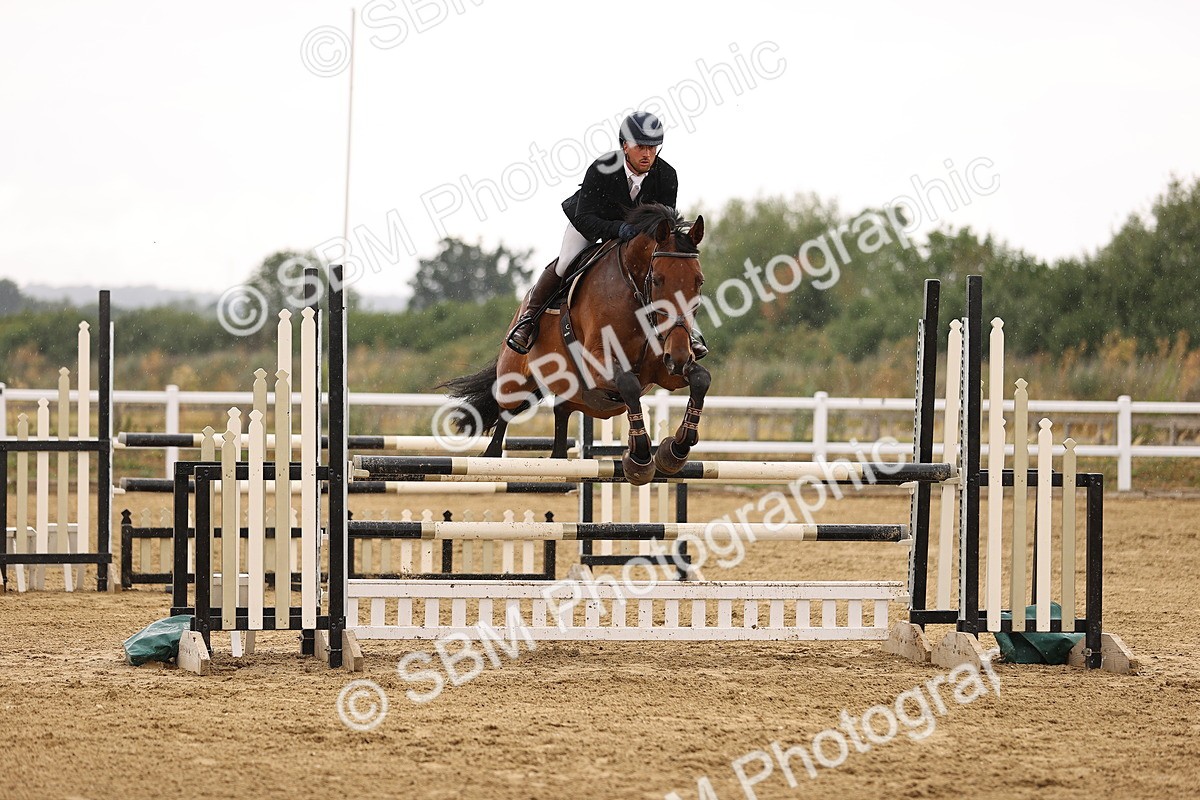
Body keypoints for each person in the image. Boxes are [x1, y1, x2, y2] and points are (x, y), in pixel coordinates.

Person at [505, 111, 707, 358]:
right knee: (566, 261)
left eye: (653, 148)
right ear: (625, 146)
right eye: (640, 147)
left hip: (637, 238)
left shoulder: (667, 175)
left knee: (667, 273)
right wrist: (617, 229)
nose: (647, 154)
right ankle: (528, 320)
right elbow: (584, 217)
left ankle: (687, 331)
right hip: (592, 224)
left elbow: (665, 222)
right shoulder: (603, 168)